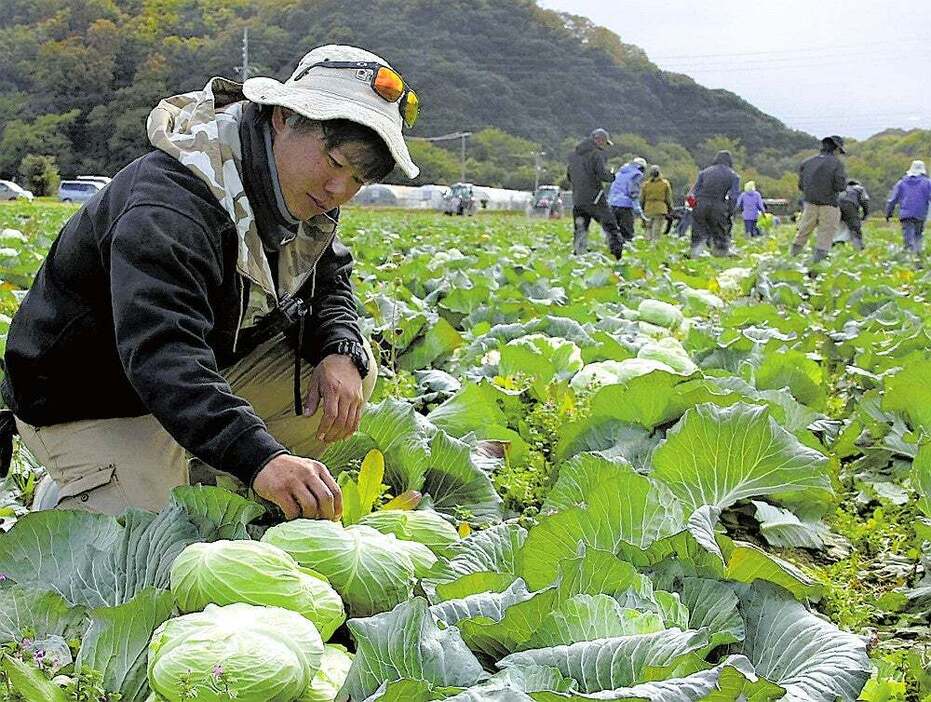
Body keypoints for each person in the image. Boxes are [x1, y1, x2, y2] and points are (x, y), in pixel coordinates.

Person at [0, 44, 421, 521]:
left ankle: (201, 463)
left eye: (357, 179)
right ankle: (78, 488)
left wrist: (339, 348)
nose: (339, 190)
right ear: (284, 116)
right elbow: (163, 353)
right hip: (92, 399)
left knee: (351, 372)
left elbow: (330, 279)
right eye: (335, 162)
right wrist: (262, 456)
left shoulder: (299, 190)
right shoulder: (171, 204)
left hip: (194, 376)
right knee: (145, 543)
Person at [566, 128, 624, 259]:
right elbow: (602, 175)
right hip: (595, 198)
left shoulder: (573, 155)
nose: (605, 147)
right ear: (599, 140)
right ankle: (617, 256)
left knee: (580, 230)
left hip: (578, 200)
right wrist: (612, 176)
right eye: (605, 143)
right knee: (610, 226)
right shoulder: (596, 154)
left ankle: (578, 258)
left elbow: (569, 176)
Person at [791, 135, 847, 263]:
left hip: (809, 203)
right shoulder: (837, 164)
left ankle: (792, 258)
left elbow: (801, 185)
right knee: (825, 234)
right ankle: (818, 264)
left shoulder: (807, 162)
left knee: (803, 231)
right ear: (836, 149)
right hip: (829, 204)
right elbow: (840, 186)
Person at [689, 150, 740, 257]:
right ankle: (719, 255)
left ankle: (696, 254)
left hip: (700, 204)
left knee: (698, 232)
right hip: (718, 206)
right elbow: (734, 196)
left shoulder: (704, 172)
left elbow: (695, 192)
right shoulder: (733, 176)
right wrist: (730, 211)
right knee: (719, 233)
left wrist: (695, 206)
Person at [885, 160, 931, 255]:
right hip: (920, 214)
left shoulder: (902, 182)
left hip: (906, 214)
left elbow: (892, 200)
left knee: (908, 237)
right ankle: (917, 257)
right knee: (918, 236)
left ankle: (909, 257)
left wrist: (888, 213)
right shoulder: (927, 183)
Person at [608, 156, 647, 242]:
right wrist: (639, 211)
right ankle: (626, 251)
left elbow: (612, 189)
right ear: (641, 167)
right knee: (627, 233)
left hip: (612, 204)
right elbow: (633, 192)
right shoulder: (636, 174)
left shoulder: (619, 173)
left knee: (614, 232)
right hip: (625, 206)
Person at [640, 165, 674, 241]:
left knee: (648, 230)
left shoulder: (646, 185)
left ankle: (647, 247)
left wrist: (642, 209)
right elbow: (668, 199)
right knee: (656, 231)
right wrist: (671, 209)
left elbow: (642, 199)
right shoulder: (665, 184)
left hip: (648, 209)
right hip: (660, 209)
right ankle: (654, 248)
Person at [838, 179, 870, 250]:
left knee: (840, 228)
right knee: (855, 229)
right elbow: (865, 201)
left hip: (836, 204)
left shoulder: (841, 189)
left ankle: (837, 248)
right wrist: (865, 215)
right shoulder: (859, 188)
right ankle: (859, 249)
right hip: (849, 205)